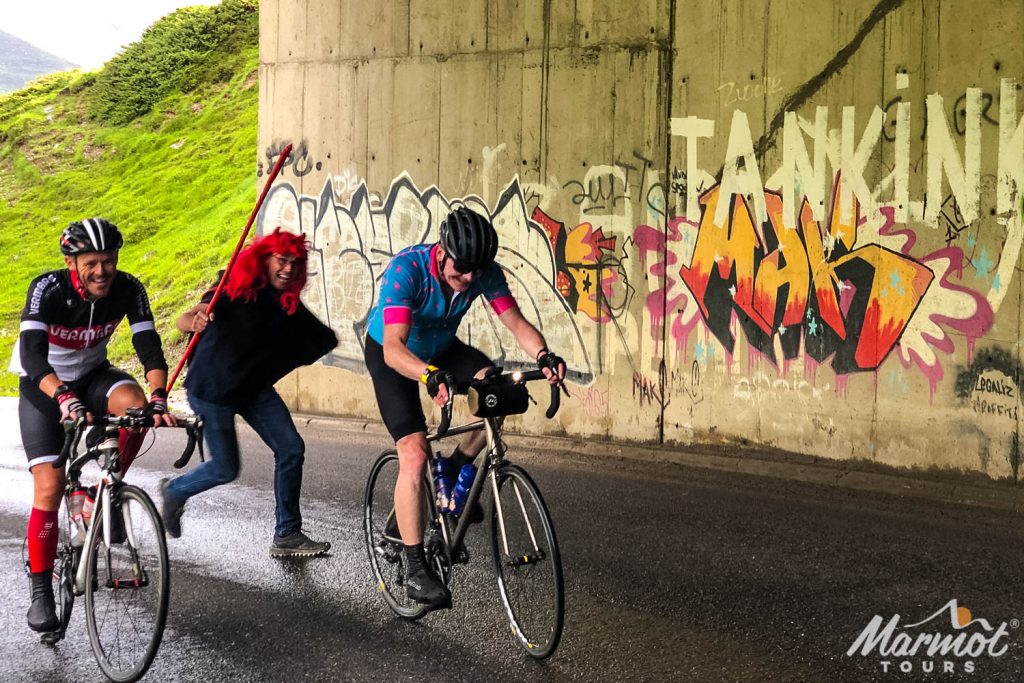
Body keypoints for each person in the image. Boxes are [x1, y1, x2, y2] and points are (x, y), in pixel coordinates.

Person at [364, 206, 566, 608]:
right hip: (395, 354)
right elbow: (393, 348)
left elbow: (517, 322)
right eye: (461, 272)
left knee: (495, 389)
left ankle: (455, 467)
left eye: (476, 271)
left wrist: (543, 355)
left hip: (442, 348)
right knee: (415, 454)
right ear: (442, 252)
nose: (469, 280)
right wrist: (429, 376)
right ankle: (415, 567)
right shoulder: (409, 270)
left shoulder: (481, 271)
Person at [11, 218, 176, 634]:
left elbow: (148, 345)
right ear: (72, 262)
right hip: (44, 386)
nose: (101, 271)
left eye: (108, 261)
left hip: (94, 375)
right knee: (48, 487)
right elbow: (32, 357)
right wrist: (62, 397)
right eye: (91, 263)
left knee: (135, 408)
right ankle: (41, 593)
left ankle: (108, 487)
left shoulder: (128, 287)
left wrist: (158, 397)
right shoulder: (47, 288)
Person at [160, 228, 337, 558]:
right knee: (225, 469)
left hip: (253, 388)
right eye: (282, 260)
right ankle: (174, 491)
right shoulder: (233, 285)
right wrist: (194, 321)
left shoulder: (287, 304)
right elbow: (186, 318)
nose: (288, 269)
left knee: (291, 448)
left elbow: (319, 339)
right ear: (266, 259)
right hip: (212, 389)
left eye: (295, 263)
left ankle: (287, 534)